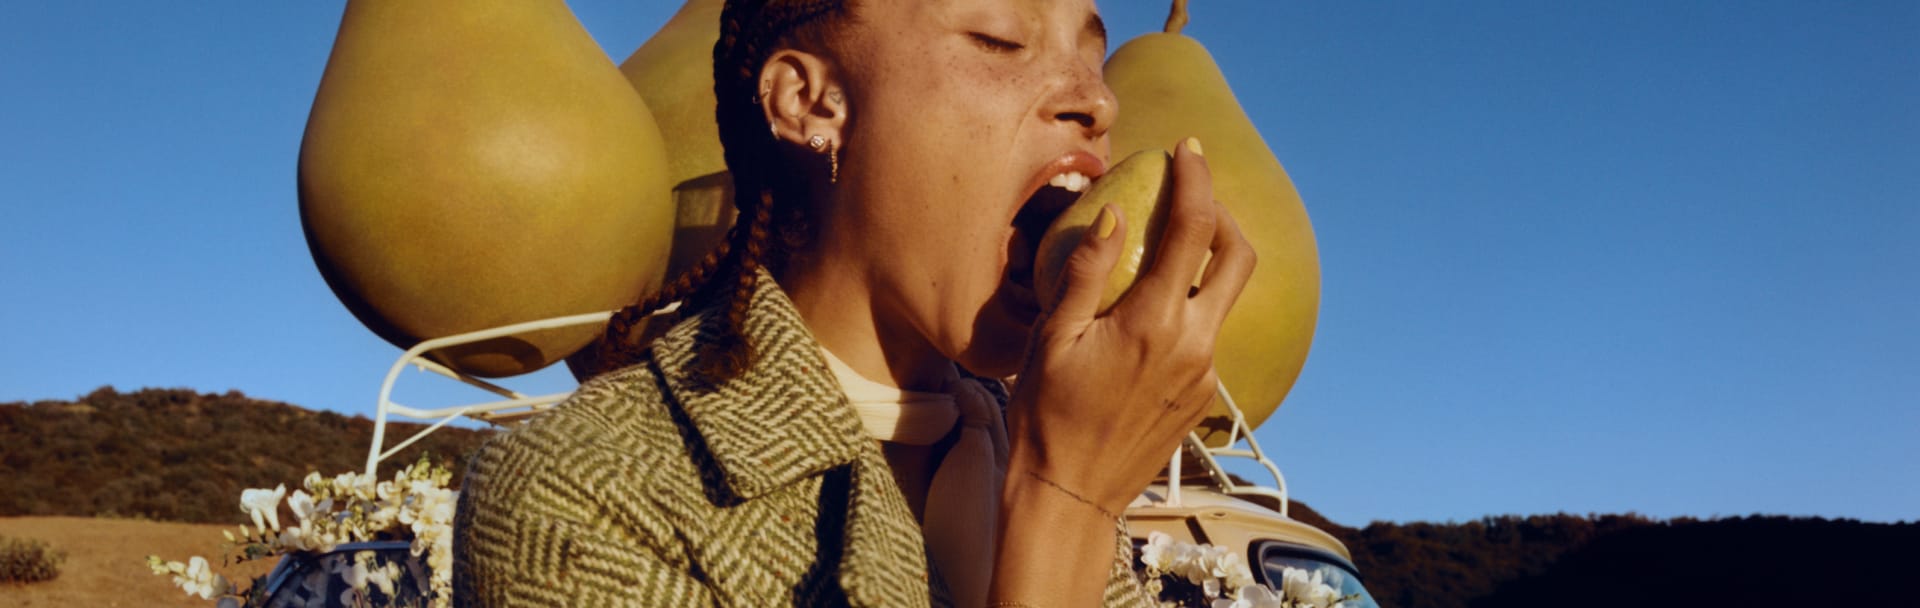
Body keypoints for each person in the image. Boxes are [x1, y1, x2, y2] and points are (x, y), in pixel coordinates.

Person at [451, 0, 1255, 606]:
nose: (1098, 101)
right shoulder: (582, 487)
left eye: (1093, 58)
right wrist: (1066, 506)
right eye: (1000, 40)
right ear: (810, 103)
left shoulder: (1025, 445)